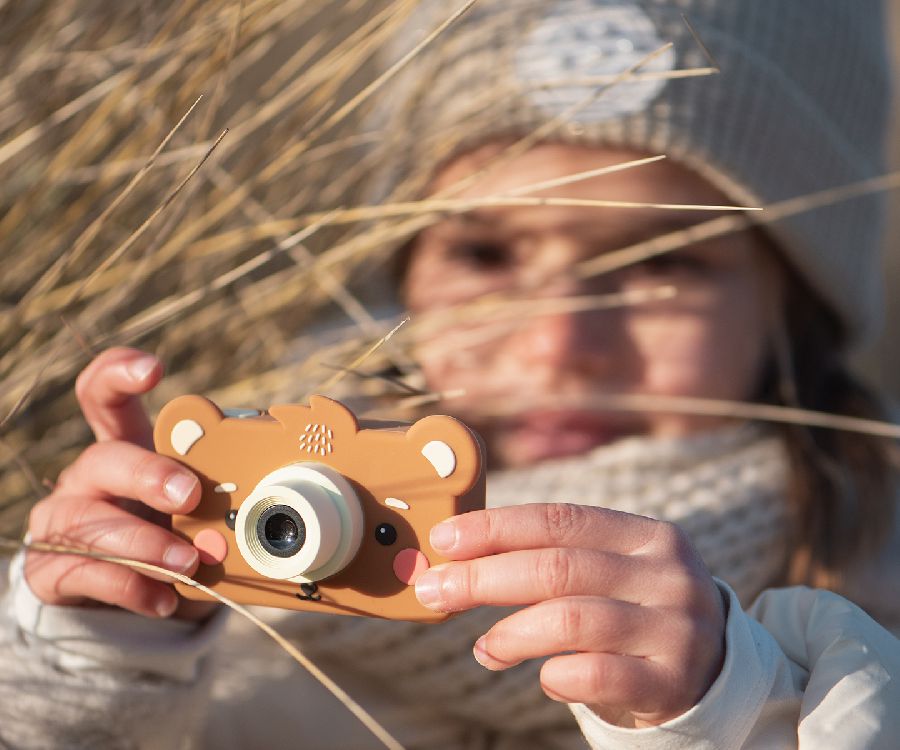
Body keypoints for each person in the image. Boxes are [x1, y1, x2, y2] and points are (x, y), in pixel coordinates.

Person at [2, 1, 899, 748]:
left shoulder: (856, 641)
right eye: (484, 251)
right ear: (404, 272)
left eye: (658, 263)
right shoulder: (246, 556)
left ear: (796, 308)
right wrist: (96, 653)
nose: (553, 344)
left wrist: (723, 706)